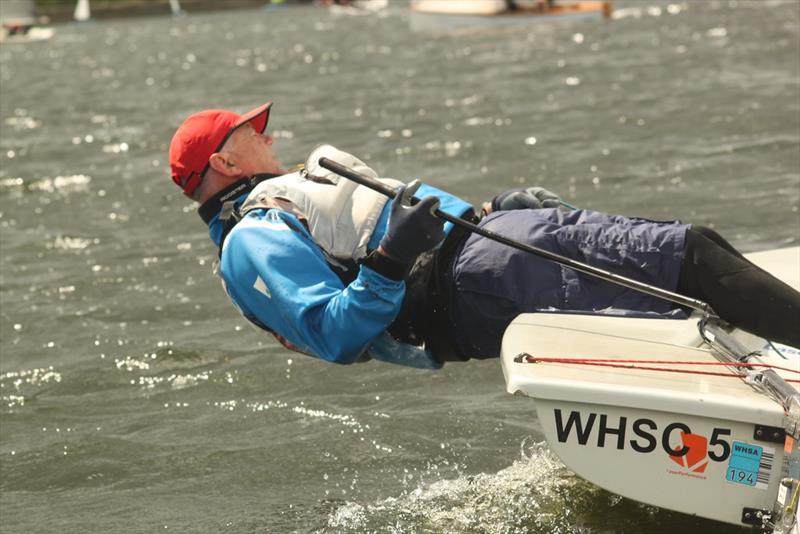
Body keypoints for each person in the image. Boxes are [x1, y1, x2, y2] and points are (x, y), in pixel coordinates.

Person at [168, 102, 800, 369]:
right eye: (252, 133)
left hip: (483, 249)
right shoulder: (252, 241)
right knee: (685, 258)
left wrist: (492, 207)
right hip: (471, 280)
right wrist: (394, 255)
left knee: (694, 253)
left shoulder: (275, 201)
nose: (269, 136)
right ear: (223, 163)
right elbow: (332, 335)